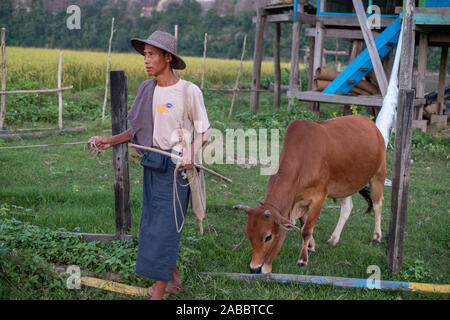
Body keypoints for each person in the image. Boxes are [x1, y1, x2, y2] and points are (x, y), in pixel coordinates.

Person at [93, 30, 210, 300]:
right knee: (153, 225)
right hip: (152, 165)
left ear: (167, 58)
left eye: (152, 54)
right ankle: (173, 280)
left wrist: (191, 151)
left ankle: (158, 293)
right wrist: (109, 141)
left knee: (166, 227)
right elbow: (138, 130)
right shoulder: (148, 89)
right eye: (144, 54)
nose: (146, 60)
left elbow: (205, 132)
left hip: (176, 169)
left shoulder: (188, 91)